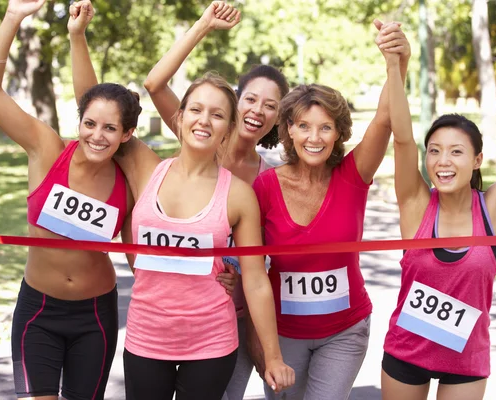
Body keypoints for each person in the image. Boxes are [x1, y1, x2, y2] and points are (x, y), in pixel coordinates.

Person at [68, 2, 295, 398]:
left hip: (212, 341)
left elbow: (256, 280)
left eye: (217, 115)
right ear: (181, 117)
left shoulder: (240, 195)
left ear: (228, 126)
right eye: (195, 109)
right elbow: (95, 102)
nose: (204, 120)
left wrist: (273, 356)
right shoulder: (146, 167)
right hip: (145, 337)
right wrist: (77, 37)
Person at [380, 20, 496, 400]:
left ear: (477, 160)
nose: (442, 161)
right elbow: (401, 139)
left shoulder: (494, 207)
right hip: (406, 353)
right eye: (434, 150)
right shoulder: (415, 204)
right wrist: (393, 66)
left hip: (465, 362)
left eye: (456, 151)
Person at [0, 0, 139, 398]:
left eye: (110, 128)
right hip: (39, 311)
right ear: (79, 121)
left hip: (95, 316)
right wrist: (13, 16)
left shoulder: (128, 178)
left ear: (126, 135)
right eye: (90, 123)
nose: (97, 135)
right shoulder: (46, 148)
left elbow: (141, 254)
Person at [250, 21, 411, 400]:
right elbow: (250, 265)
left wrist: (396, 62)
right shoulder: (265, 187)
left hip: (345, 330)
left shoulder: (352, 176)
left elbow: (385, 120)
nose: (314, 138)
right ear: (288, 129)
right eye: (303, 126)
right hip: (283, 333)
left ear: (338, 132)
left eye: (325, 128)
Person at [138, 2, 289, 397]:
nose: (258, 110)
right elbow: (154, 84)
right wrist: (203, 25)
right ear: (237, 105)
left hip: (231, 313)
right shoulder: (201, 140)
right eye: (251, 100)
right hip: (170, 318)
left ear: (277, 119)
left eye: (270, 106)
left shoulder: (268, 178)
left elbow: (262, 260)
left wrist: (236, 277)